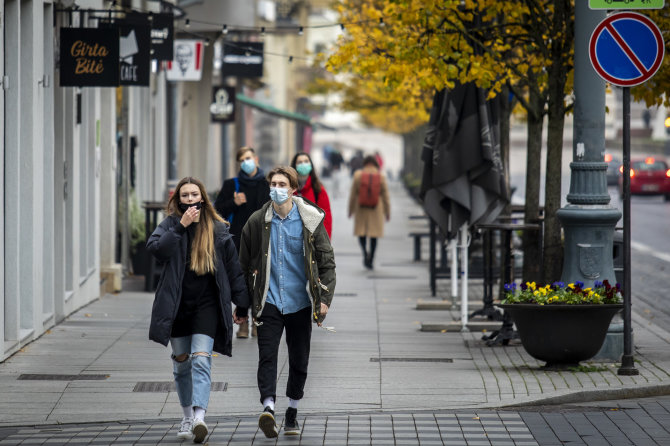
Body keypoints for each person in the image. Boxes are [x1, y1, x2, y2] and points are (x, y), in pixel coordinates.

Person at [147, 177, 249, 443]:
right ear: (178, 200)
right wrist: (181, 226)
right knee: (182, 365)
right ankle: (186, 416)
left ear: (203, 197)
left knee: (202, 360)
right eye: (185, 196)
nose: (190, 199)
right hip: (178, 306)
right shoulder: (170, 225)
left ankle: (200, 417)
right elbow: (157, 250)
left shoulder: (217, 229)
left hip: (207, 305)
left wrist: (242, 304)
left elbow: (233, 269)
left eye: (194, 194)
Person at [238, 166, 336, 438]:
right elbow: (243, 265)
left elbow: (327, 264)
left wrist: (324, 299)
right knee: (267, 355)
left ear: (293, 188)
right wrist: (242, 306)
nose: (277, 188)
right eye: (273, 183)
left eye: (282, 184)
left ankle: (292, 409)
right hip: (269, 301)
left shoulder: (310, 220)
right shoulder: (257, 222)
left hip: (300, 303)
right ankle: (268, 407)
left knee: (299, 359)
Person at [214, 146, 270, 339]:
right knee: (241, 281)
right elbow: (217, 211)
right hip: (237, 239)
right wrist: (234, 203)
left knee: (259, 280)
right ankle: (243, 320)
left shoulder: (267, 184)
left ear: (256, 158)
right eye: (242, 159)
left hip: (261, 239)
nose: (246, 162)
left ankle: (257, 320)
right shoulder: (232, 185)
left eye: (248, 158)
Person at [348, 155, 391, 269]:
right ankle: (371, 258)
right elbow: (386, 196)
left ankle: (365, 253)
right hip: (376, 209)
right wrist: (387, 212)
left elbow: (353, 194)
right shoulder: (381, 176)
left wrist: (350, 210)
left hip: (361, 208)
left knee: (361, 233)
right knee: (374, 235)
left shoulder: (358, 175)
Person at [290, 151, 333, 238]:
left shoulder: (318, 190)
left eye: (306, 161)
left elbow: (326, 217)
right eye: (300, 162)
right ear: (294, 166)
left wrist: (325, 240)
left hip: (311, 239)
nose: (303, 164)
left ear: (311, 165)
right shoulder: (288, 188)